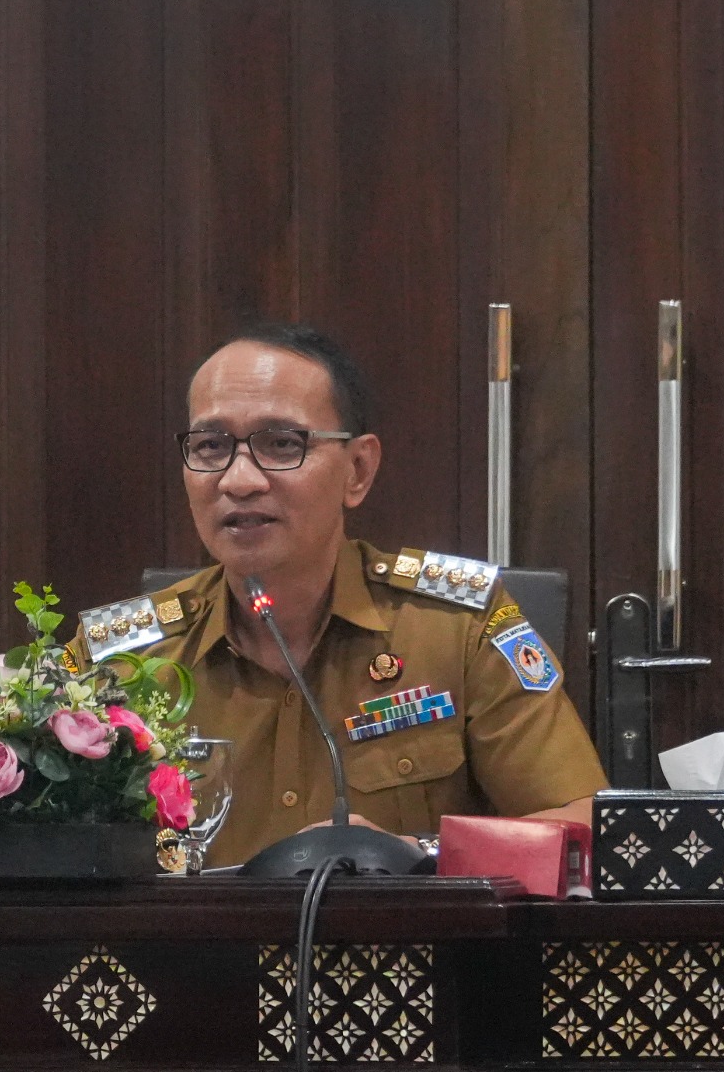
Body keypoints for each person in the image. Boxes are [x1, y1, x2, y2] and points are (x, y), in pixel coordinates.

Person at [74, 323, 604, 868]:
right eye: (210, 447)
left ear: (358, 470)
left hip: (404, 925)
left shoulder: (457, 628)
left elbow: (586, 823)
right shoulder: (121, 663)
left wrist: (419, 856)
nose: (239, 480)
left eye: (282, 444)